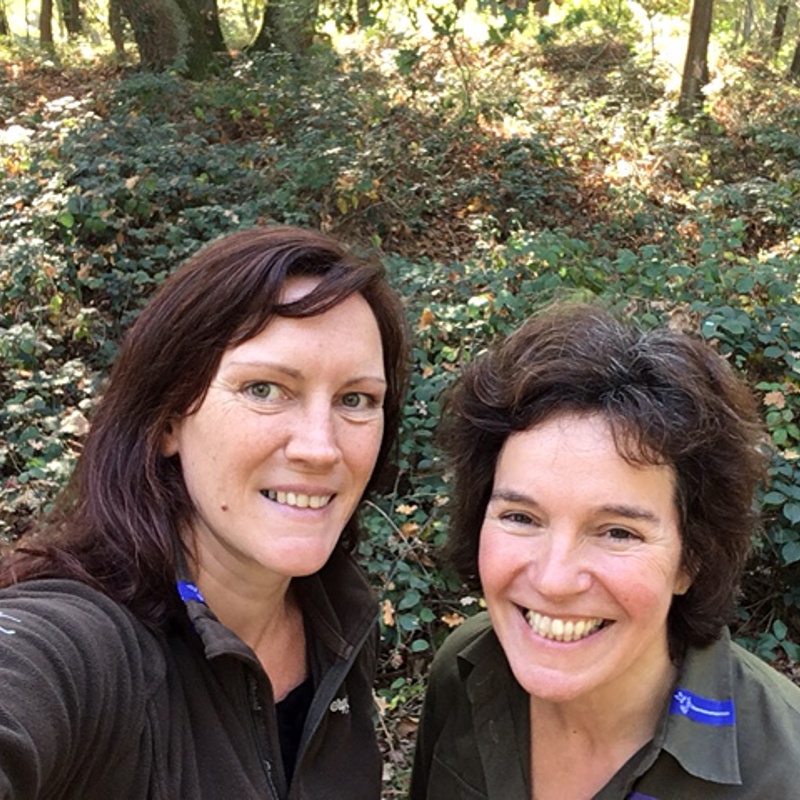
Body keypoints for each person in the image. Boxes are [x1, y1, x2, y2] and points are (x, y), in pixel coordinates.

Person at [0, 225, 409, 800]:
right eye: (265, 389)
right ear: (169, 420)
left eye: (356, 400)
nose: (321, 447)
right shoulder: (85, 646)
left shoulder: (337, 626)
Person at [410, 304, 800, 800]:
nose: (554, 579)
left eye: (618, 532)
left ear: (691, 559)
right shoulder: (465, 670)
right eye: (521, 518)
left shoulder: (783, 770)